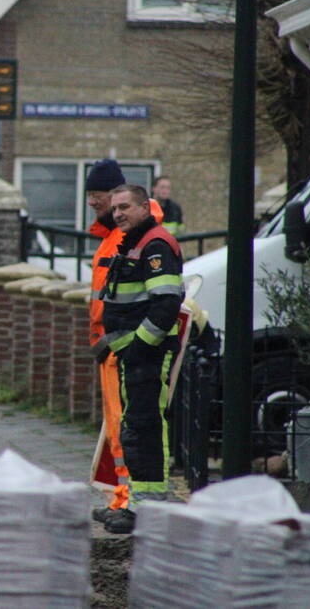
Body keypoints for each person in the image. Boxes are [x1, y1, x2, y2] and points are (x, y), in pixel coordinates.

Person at [96, 185, 184, 534]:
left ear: (145, 208)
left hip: (147, 354)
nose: (118, 214)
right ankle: (135, 504)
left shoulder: (155, 245)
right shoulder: (135, 242)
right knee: (134, 428)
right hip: (134, 354)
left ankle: (147, 509)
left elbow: (165, 305)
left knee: (144, 427)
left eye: (126, 207)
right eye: (115, 208)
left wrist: (139, 347)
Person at [84, 159, 132, 525]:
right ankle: (120, 499)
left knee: (124, 425)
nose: (91, 203)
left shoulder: (124, 237)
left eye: (96, 196)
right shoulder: (112, 237)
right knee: (115, 426)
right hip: (110, 346)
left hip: (120, 346)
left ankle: (128, 499)